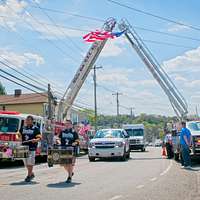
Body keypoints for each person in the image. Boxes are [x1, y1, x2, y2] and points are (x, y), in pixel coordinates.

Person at [19, 115, 42, 182]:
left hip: (31, 147)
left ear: (32, 121)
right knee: (26, 163)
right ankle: (31, 173)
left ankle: (29, 176)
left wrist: (36, 140)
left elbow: (39, 137)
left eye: (29, 120)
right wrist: (18, 137)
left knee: (30, 162)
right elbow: (18, 133)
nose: (27, 121)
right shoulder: (23, 127)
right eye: (27, 119)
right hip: (23, 147)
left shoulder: (35, 128)